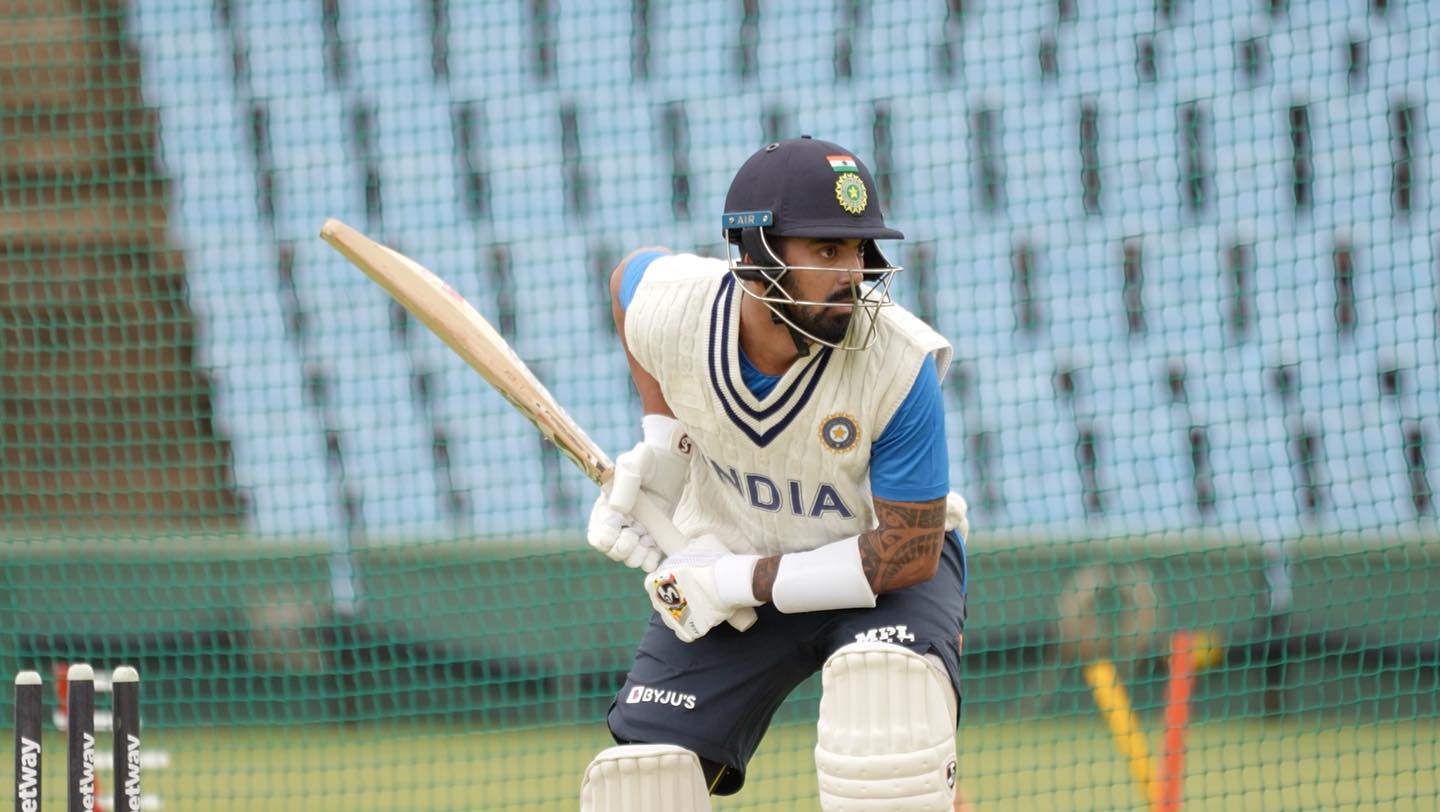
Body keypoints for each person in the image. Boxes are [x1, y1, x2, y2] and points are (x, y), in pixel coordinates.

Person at [580, 135, 970, 812]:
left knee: (886, 730)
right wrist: (665, 444)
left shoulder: (898, 361)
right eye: (827, 251)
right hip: (731, 545)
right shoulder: (679, 308)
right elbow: (626, 283)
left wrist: (731, 580)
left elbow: (908, 553)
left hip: (880, 575)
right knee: (642, 785)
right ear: (757, 254)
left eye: (859, 251)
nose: (853, 274)